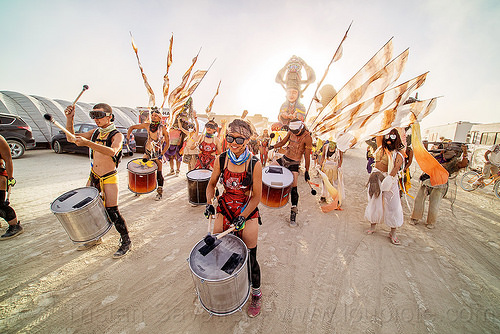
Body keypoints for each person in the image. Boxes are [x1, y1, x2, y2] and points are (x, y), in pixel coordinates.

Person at [204, 119, 263, 317]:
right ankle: (230, 284)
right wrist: (209, 203)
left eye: (239, 139)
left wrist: (243, 217)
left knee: (250, 255)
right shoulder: (221, 159)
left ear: (247, 140)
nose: (234, 143)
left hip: (247, 209)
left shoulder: (255, 163)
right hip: (225, 207)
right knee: (221, 250)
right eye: (230, 137)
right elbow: (212, 185)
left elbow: (256, 197)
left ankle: (256, 293)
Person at [64, 103, 131, 258]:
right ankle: (95, 237)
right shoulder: (95, 133)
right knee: (88, 208)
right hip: (93, 175)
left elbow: (113, 151)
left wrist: (88, 143)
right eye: (93, 116)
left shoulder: (116, 135)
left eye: (99, 116)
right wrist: (70, 119)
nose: (96, 120)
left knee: (112, 211)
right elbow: (71, 138)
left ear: (110, 116)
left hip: (109, 176)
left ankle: (126, 240)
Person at [411, 143, 468, 228]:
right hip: (427, 180)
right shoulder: (437, 157)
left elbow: (463, 164)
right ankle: (415, 217)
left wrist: (465, 153)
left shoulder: (454, 162)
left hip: (440, 184)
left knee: (434, 203)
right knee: (419, 199)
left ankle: (431, 222)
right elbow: (425, 158)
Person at [365, 129, 405, 245]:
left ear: (396, 139)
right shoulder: (380, 147)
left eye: (392, 137)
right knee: (374, 201)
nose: (389, 139)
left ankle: (393, 232)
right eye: (387, 136)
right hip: (375, 177)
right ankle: (373, 226)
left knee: (393, 204)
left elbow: (396, 168)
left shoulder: (398, 153)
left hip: (390, 179)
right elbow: (380, 130)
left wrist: (388, 180)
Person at [270, 119, 312, 227]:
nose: (294, 133)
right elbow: (283, 142)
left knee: (294, 187)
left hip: (294, 163)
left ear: (301, 127)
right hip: (284, 159)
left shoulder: (307, 137)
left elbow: (307, 156)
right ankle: (276, 195)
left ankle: (293, 212)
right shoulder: (291, 131)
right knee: (269, 170)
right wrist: (273, 146)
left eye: (296, 131)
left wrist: (307, 170)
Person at [127, 107, 170, 200]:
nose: (153, 117)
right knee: (141, 170)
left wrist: (162, 153)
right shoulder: (147, 125)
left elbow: (168, 143)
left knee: (159, 172)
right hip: (148, 152)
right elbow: (132, 127)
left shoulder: (163, 129)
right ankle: (139, 189)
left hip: (157, 153)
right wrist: (127, 137)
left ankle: (159, 192)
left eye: (156, 116)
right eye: (152, 115)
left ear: (160, 118)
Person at [0, 135, 22, 240]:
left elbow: (8, 160)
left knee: (0, 205)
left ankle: (15, 226)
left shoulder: (0, 140)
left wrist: (10, 178)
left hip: (0, 177)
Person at [318, 140, 344, 206]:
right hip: (326, 167)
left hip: (334, 168)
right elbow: (323, 156)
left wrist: (339, 166)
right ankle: (323, 196)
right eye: (330, 148)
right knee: (325, 182)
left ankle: (336, 199)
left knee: (335, 183)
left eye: (333, 148)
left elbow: (341, 158)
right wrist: (320, 165)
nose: (331, 149)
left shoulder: (340, 148)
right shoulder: (325, 146)